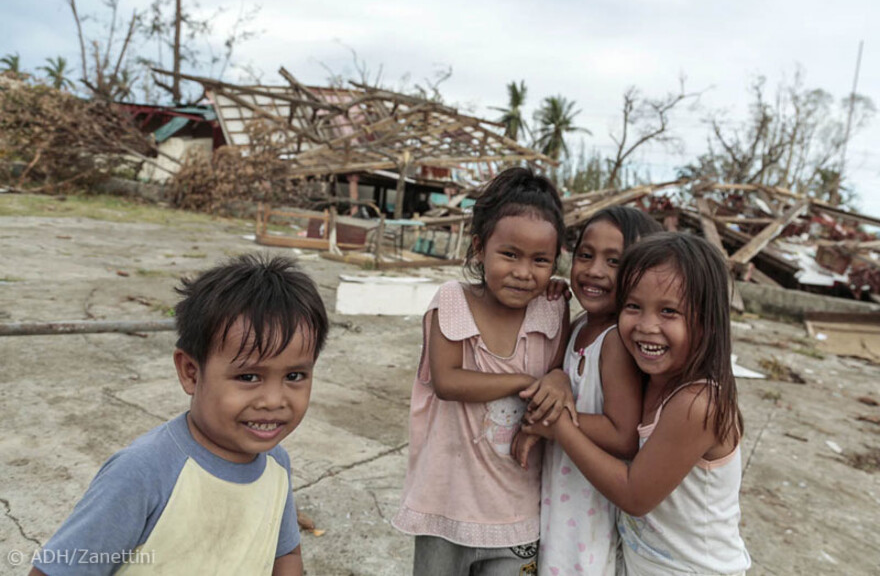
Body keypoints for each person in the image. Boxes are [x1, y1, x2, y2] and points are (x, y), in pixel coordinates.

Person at [30, 254, 328, 576]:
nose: (274, 401)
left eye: (295, 376)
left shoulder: (276, 465)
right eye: (248, 377)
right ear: (190, 372)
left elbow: (284, 556)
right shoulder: (142, 473)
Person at [522, 233, 751, 575]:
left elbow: (634, 495)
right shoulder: (654, 379)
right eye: (633, 306)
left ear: (707, 320)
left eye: (669, 311)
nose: (646, 327)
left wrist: (559, 427)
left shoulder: (697, 403)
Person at [392, 167, 570, 576]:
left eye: (540, 260)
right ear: (479, 248)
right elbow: (448, 381)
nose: (524, 272)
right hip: (446, 507)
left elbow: (560, 373)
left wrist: (556, 378)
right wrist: (525, 381)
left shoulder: (553, 309)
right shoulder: (452, 302)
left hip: (517, 514)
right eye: (510, 254)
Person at [514, 206, 662, 575]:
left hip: (589, 506)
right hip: (566, 493)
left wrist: (554, 423)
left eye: (614, 261)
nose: (595, 270)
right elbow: (558, 372)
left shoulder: (614, 341)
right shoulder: (582, 324)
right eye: (585, 255)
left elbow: (623, 435)